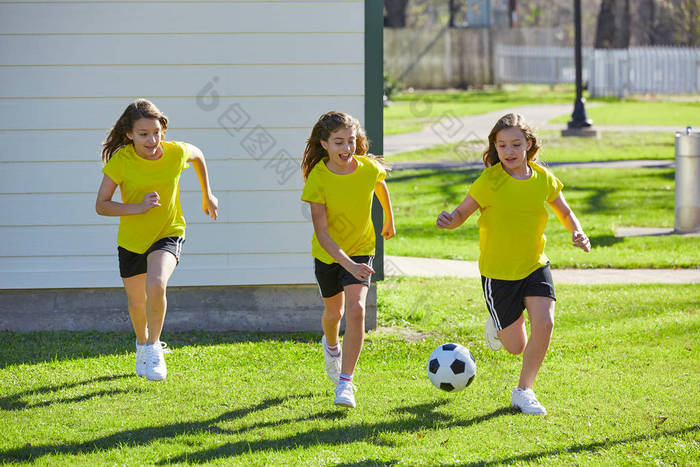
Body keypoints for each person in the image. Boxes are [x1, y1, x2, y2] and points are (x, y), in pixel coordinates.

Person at [436, 113, 590, 415]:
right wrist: (448, 220)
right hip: (499, 274)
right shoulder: (489, 181)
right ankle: (499, 322)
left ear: (528, 144)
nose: (509, 151)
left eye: (515, 144)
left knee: (545, 324)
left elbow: (565, 211)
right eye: (502, 145)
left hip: (534, 265)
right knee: (515, 346)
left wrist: (577, 231)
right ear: (495, 147)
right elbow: (461, 214)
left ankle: (523, 391)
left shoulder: (543, 178)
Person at [96, 99, 218, 381]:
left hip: (169, 231)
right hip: (132, 240)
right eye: (143, 134)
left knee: (157, 283)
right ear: (129, 134)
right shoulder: (122, 162)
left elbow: (197, 155)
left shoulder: (175, 153)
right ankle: (142, 344)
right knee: (137, 302)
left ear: (163, 129)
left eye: (156, 132)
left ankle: (154, 347)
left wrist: (206, 194)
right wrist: (137, 207)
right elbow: (102, 205)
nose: (152, 140)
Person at [301, 111, 395, 408]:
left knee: (356, 310)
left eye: (351, 141)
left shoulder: (367, 168)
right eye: (338, 141)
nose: (346, 148)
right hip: (328, 253)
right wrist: (348, 265)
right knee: (334, 314)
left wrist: (389, 220)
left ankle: (345, 383)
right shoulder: (319, 177)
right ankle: (331, 346)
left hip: (361, 248)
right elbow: (323, 234)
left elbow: (380, 183)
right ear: (324, 144)